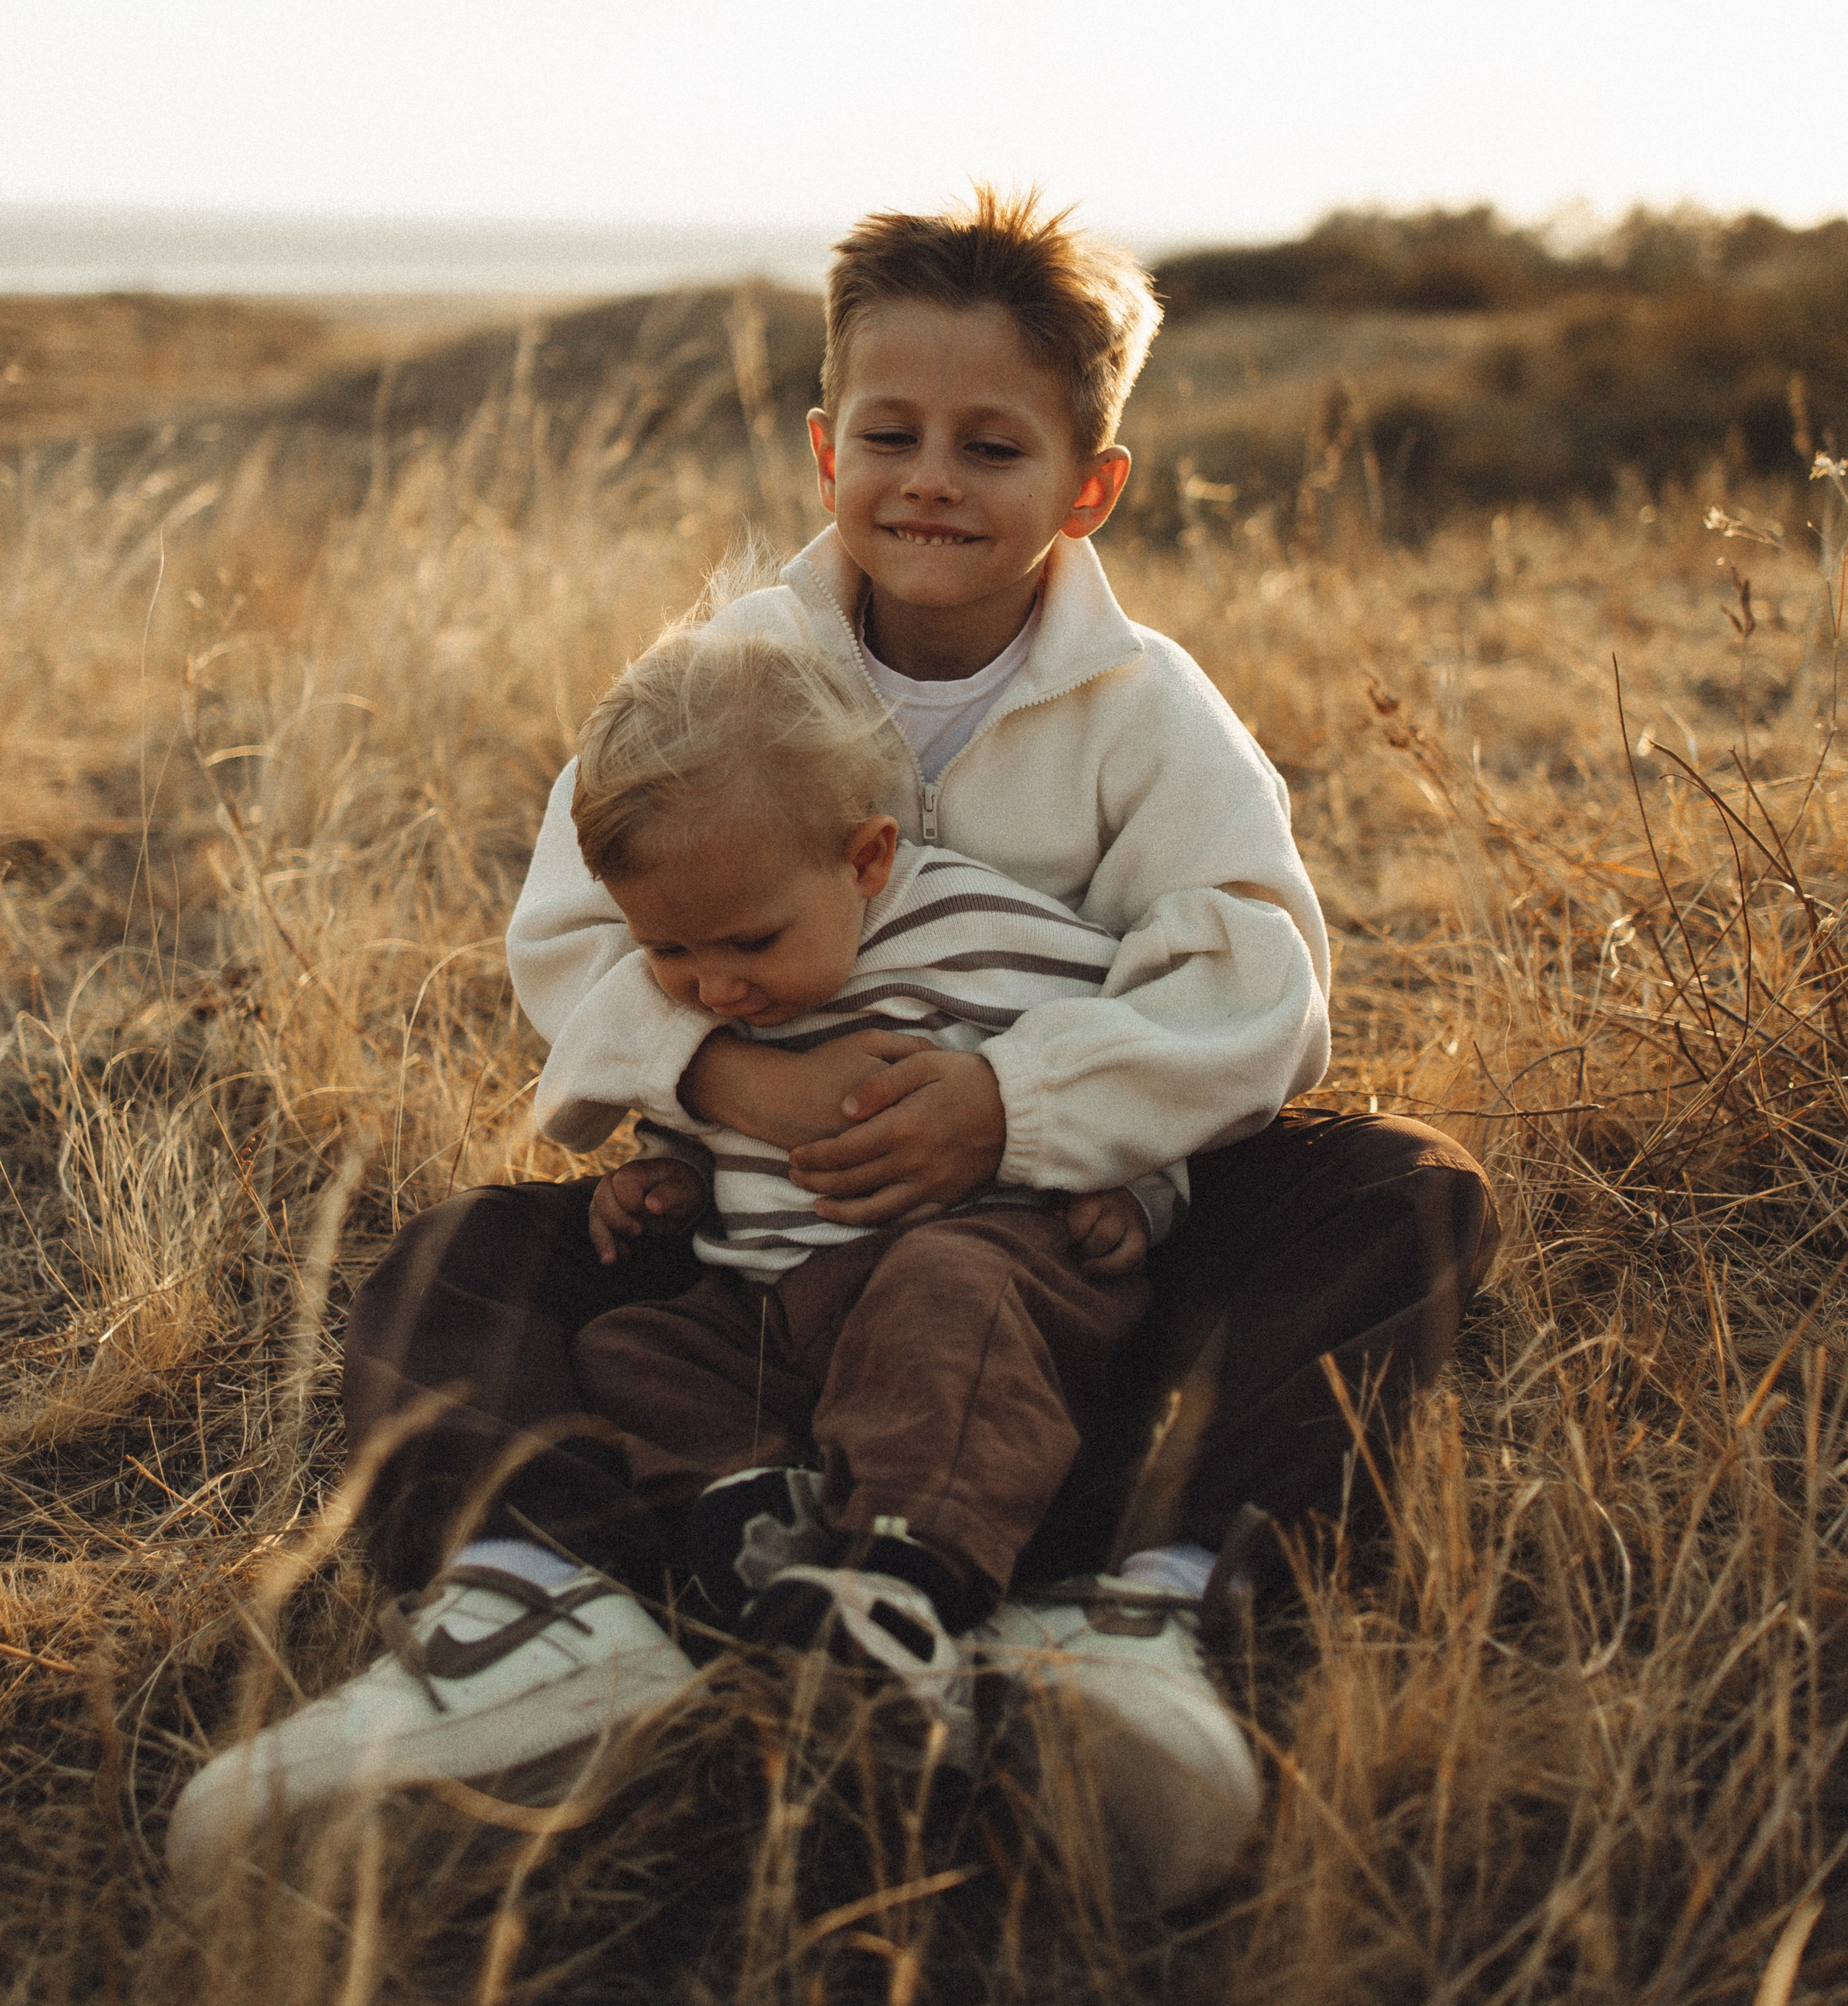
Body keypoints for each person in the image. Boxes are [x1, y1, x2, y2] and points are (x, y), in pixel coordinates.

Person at [170, 189, 1494, 1906]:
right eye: (891, 432)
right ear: (822, 451)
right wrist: (727, 1081)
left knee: (1392, 1195)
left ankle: (1116, 1614)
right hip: (756, 1249)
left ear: (1087, 484)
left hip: (1045, 1267)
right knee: (462, 1258)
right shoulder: (727, 675)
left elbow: (1253, 981)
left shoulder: (1145, 712)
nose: (930, 478)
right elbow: (571, 933)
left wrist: (1014, 1112)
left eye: (991, 443)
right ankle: (551, 1612)